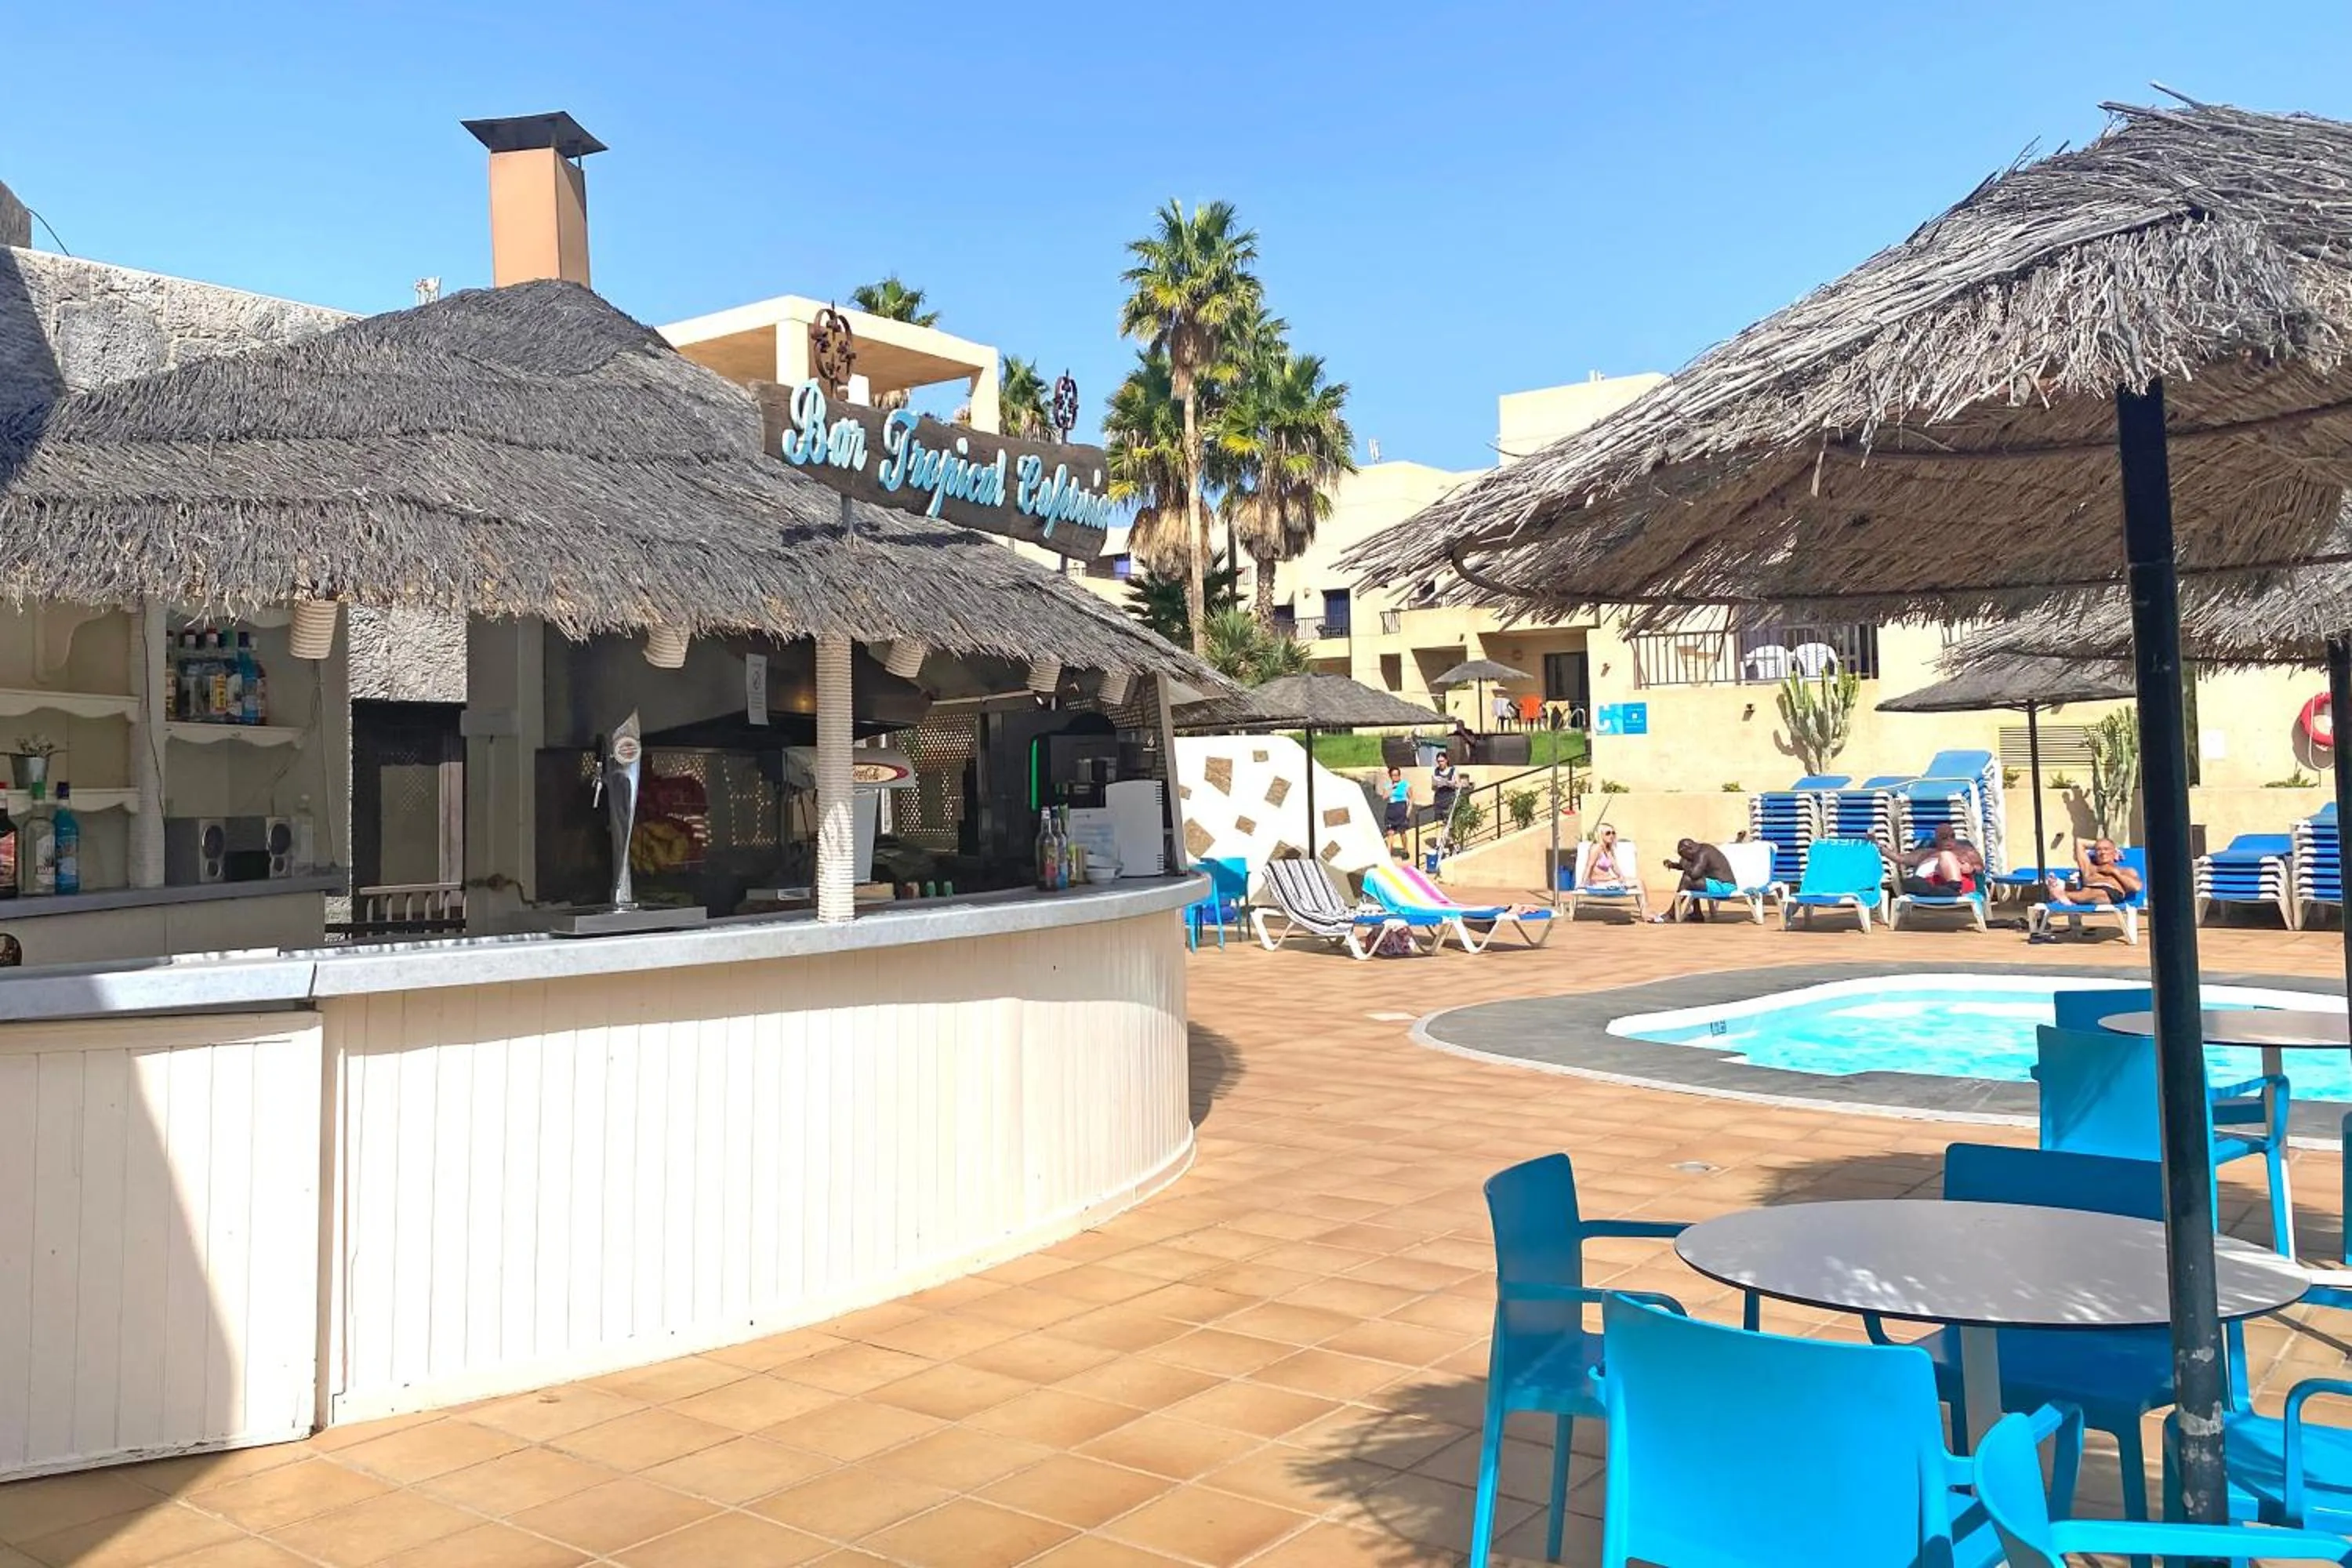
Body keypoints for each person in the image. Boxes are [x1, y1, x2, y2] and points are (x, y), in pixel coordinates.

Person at [1584, 825, 1653, 920]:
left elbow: (1614, 866)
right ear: (1601, 835)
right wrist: (1583, 883)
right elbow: (1589, 866)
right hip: (1599, 883)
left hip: (1609, 881)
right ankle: (1645, 913)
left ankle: (1645, 911)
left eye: (1613, 833)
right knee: (1638, 883)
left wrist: (1621, 877)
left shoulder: (1608, 849)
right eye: (1608, 833)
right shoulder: (1596, 848)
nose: (1611, 835)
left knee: (1640, 882)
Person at [2047, 837, 2140, 906]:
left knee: (2099, 893)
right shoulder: (2089, 868)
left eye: (2106, 849)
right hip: (2086, 893)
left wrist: (2114, 872)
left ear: (2115, 853)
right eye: (2098, 850)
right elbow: (2079, 842)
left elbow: (2136, 887)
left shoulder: (2125, 871)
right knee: (2088, 891)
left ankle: (2061, 894)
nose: (2102, 852)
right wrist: (2100, 844)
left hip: (2110, 895)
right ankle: (2062, 895)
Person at [1664, 837, 1739, 921]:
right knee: (1692, 880)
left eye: (1684, 855)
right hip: (1718, 885)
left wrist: (1684, 863)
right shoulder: (1701, 850)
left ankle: (1671, 913)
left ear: (1689, 848)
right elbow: (1693, 868)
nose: (1684, 858)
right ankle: (1697, 913)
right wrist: (1673, 865)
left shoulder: (1703, 853)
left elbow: (1694, 874)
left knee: (1687, 879)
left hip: (1725, 888)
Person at [1902, 823, 1983, 898]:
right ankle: (1933, 891)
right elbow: (1901, 858)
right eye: (1944, 837)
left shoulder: (1966, 851)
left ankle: (1953, 888)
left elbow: (1980, 868)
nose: (1949, 839)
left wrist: (1971, 868)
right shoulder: (1925, 853)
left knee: (1946, 855)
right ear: (1937, 839)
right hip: (1927, 884)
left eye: (1952, 836)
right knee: (1910, 882)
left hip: (1955, 884)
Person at [1382, 766, 1413, 851]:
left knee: (1402, 832)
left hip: (1401, 809)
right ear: (1390, 776)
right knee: (1390, 833)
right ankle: (1389, 853)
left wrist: (1409, 810)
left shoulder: (1405, 784)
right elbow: (1384, 797)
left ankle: (1405, 850)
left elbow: (1411, 798)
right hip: (1391, 809)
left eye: (1397, 775)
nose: (1396, 777)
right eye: (1393, 775)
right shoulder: (1388, 785)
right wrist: (1391, 788)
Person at [1430, 750, 1460, 829]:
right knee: (1439, 823)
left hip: (1449, 799)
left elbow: (1458, 785)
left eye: (1442, 761)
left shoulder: (1453, 771)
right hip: (1439, 800)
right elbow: (1433, 788)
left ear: (1446, 760)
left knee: (1450, 822)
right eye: (1439, 761)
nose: (1440, 763)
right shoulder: (1436, 771)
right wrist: (1436, 784)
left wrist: (1450, 784)